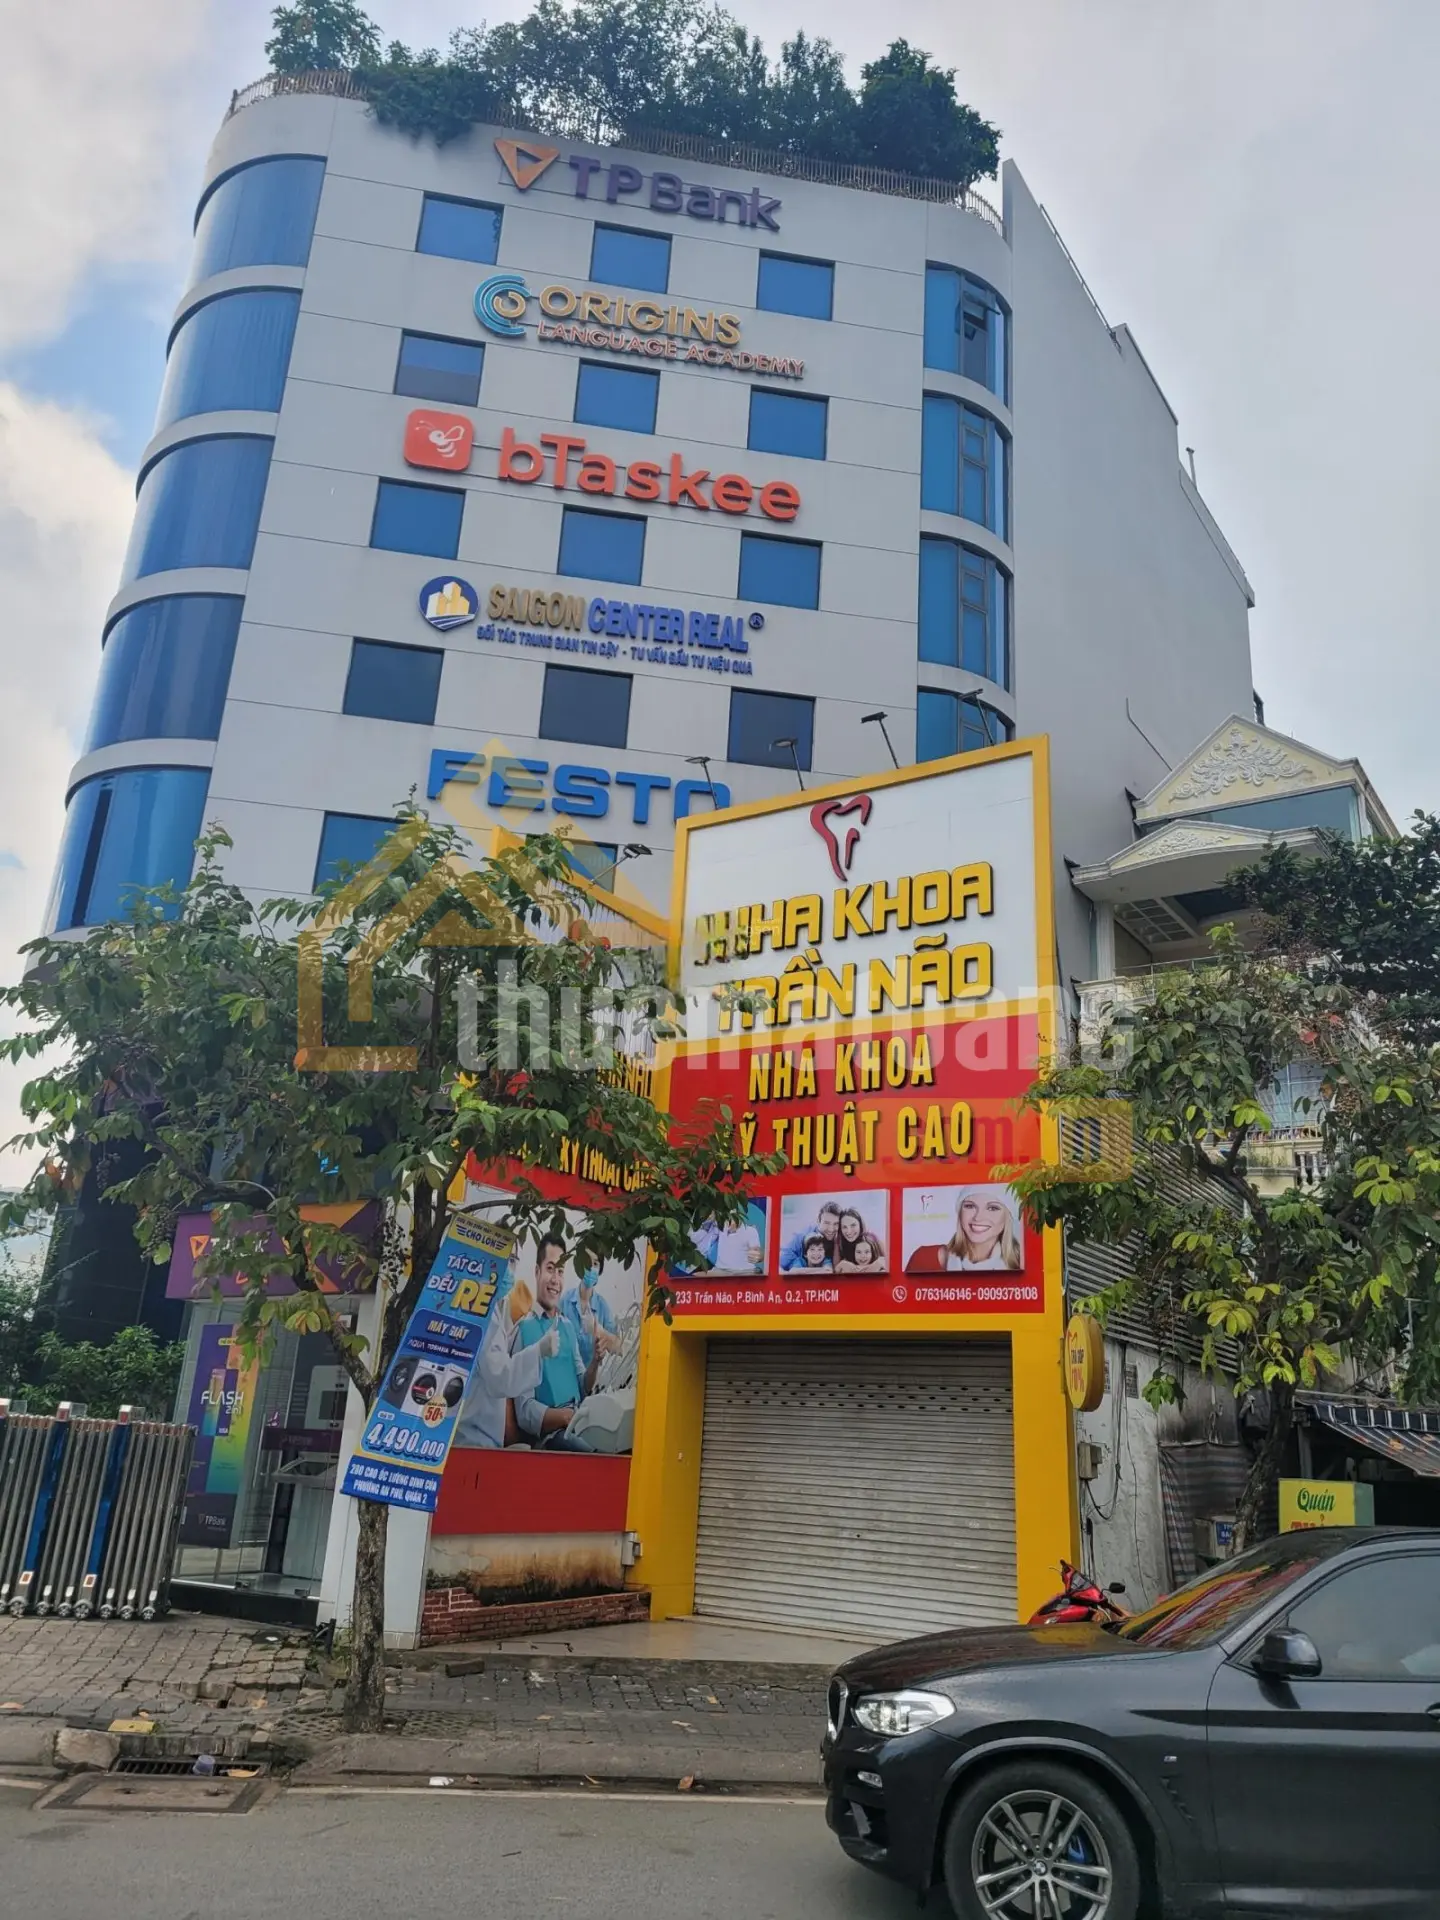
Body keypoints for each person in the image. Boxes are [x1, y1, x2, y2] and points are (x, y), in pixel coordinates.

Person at [453, 1257, 553, 1449]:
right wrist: (538, 1351)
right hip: (473, 1436)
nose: (509, 1268)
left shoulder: (492, 1308)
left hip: (480, 1432)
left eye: (513, 1260)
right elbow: (500, 1377)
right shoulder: (483, 1315)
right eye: (505, 1259)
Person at [512, 1234, 601, 1446]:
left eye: (560, 1272)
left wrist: (596, 1361)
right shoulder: (523, 1330)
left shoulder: (567, 1327)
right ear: (537, 1271)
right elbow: (524, 1410)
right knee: (593, 1456)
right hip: (550, 1437)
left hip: (577, 1423)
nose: (555, 1279)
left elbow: (583, 1386)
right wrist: (563, 1417)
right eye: (550, 1269)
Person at [905, 1188, 1023, 1274]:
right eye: (970, 1206)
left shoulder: (1022, 1262)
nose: (978, 1217)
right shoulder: (924, 1258)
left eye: (992, 1208)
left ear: (1008, 1217)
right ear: (960, 1212)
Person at [561, 1265, 619, 1370]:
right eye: (587, 1261)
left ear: (600, 1270)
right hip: (566, 1373)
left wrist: (599, 1331)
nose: (591, 1268)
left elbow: (618, 1348)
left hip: (592, 1375)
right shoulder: (565, 1300)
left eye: (596, 1263)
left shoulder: (602, 1305)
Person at [779, 1201, 841, 1271]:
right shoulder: (801, 1237)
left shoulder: (842, 1237)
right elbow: (779, 1265)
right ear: (818, 1221)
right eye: (826, 1223)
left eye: (836, 1224)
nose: (831, 1229)